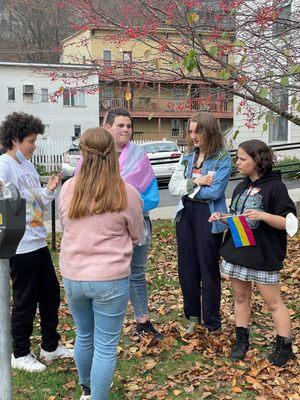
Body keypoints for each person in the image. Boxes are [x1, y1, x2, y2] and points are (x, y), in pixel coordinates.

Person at [59, 127, 143, 400]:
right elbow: (136, 234)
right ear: (112, 153)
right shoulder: (126, 192)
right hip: (110, 278)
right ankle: (95, 395)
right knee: (105, 345)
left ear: (82, 153)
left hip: (74, 275)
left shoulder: (69, 188)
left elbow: (65, 225)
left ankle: (87, 390)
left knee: (84, 335)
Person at [75, 108, 163, 340]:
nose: (126, 130)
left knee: (136, 273)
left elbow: (152, 196)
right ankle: (100, 324)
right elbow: (80, 192)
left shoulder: (140, 157)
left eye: (129, 126)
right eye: (121, 125)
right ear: (107, 127)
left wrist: (125, 203)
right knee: (103, 274)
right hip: (103, 229)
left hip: (136, 224)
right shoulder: (91, 157)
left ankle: (143, 321)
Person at [209, 139, 297, 366]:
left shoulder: (276, 187)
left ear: (257, 161)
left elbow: (290, 224)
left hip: (263, 256)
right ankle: (241, 340)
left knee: (273, 303)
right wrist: (223, 219)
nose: (237, 162)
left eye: (242, 159)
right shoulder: (241, 186)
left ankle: (284, 346)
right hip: (238, 254)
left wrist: (263, 216)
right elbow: (239, 219)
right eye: (237, 158)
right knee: (240, 298)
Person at [0, 112, 73, 373]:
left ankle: (50, 347)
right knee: (25, 300)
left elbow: (39, 201)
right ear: (15, 139)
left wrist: (50, 188)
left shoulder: (28, 166)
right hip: (20, 245)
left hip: (38, 242)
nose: (34, 146)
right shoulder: (4, 165)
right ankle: (19, 353)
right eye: (30, 141)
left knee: (51, 295)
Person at [169, 112, 232, 334]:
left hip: (209, 216)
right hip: (185, 215)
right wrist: (196, 181)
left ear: (209, 131)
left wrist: (188, 189)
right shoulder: (187, 156)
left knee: (208, 268)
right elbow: (172, 187)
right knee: (187, 267)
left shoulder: (223, 158)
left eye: (198, 131)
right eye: (190, 131)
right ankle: (193, 316)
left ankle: (212, 321)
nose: (193, 136)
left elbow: (214, 192)